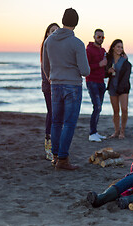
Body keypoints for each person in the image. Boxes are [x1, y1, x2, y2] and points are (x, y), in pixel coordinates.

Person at [43, 8, 90, 170]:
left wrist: (52, 77)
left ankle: (55, 156)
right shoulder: (77, 43)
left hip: (55, 84)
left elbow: (45, 66)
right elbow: (85, 71)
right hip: (72, 86)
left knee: (56, 122)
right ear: (76, 23)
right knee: (69, 123)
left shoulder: (49, 41)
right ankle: (63, 159)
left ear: (62, 20)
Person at [40, 23, 59, 162]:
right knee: (52, 114)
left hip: (57, 86)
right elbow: (47, 70)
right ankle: (48, 146)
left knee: (55, 115)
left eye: (57, 31)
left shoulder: (58, 48)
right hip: (49, 86)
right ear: (47, 34)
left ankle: (53, 145)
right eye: (52, 31)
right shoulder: (46, 47)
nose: (54, 33)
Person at [105, 39, 131, 139]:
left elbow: (126, 76)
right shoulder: (109, 59)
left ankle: (122, 132)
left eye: (121, 47)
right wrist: (108, 71)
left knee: (124, 109)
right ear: (113, 47)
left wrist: (120, 88)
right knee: (115, 111)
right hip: (112, 87)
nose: (120, 49)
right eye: (118, 47)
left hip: (123, 88)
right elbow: (104, 74)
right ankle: (116, 131)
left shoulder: (125, 61)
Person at [86, 29, 107, 142]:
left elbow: (105, 66)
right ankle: (91, 133)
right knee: (97, 107)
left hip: (101, 82)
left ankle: (95, 132)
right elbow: (86, 67)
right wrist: (99, 64)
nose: (100, 39)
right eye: (98, 37)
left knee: (99, 108)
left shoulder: (103, 50)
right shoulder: (88, 50)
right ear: (94, 36)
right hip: (92, 81)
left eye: (102, 37)